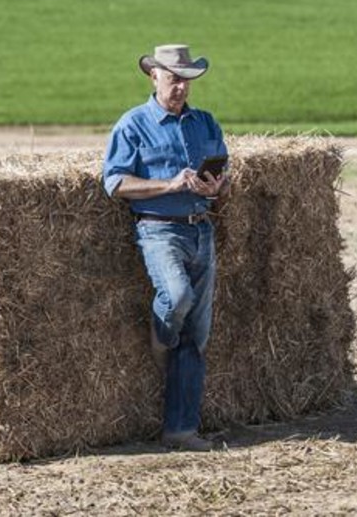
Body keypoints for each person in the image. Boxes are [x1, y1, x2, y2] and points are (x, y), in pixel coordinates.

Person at [102, 44, 229, 452]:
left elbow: (224, 176)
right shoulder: (132, 125)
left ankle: (181, 429)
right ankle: (160, 338)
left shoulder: (205, 123)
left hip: (201, 230)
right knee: (175, 297)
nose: (180, 87)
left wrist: (218, 187)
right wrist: (170, 185)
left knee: (197, 335)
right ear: (153, 77)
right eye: (173, 79)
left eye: (186, 80)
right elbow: (116, 183)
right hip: (158, 230)